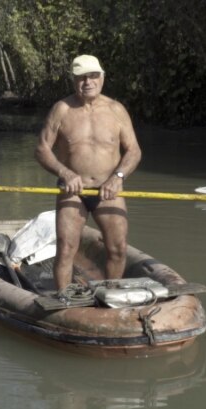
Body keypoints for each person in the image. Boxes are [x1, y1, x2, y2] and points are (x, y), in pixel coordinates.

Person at [35, 54, 142, 291]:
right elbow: (42, 149)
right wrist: (65, 173)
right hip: (73, 191)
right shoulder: (61, 109)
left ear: (102, 78)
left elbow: (134, 151)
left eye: (93, 76)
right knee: (65, 250)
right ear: (73, 80)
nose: (88, 82)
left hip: (109, 191)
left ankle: (109, 295)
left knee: (117, 249)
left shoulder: (116, 110)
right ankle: (62, 300)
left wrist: (118, 178)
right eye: (82, 77)